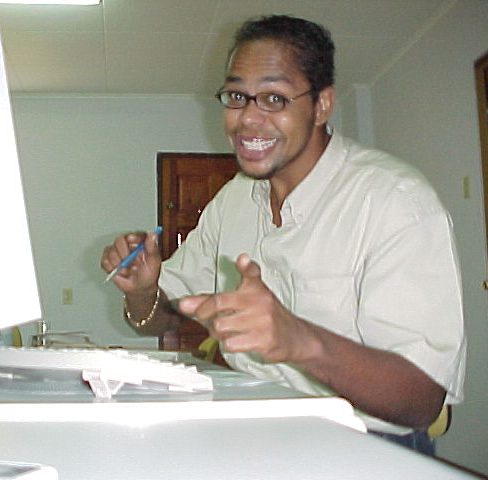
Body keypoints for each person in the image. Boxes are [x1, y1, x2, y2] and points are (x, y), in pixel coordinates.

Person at [100, 14, 465, 454]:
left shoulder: (395, 201)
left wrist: (299, 340)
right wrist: (143, 291)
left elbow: (422, 400)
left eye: (274, 98)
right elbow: (163, 316)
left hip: (368, 442)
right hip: (254, 426)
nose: (248, 119)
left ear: (322, 105)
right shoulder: (234, 199)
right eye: (237, 96)